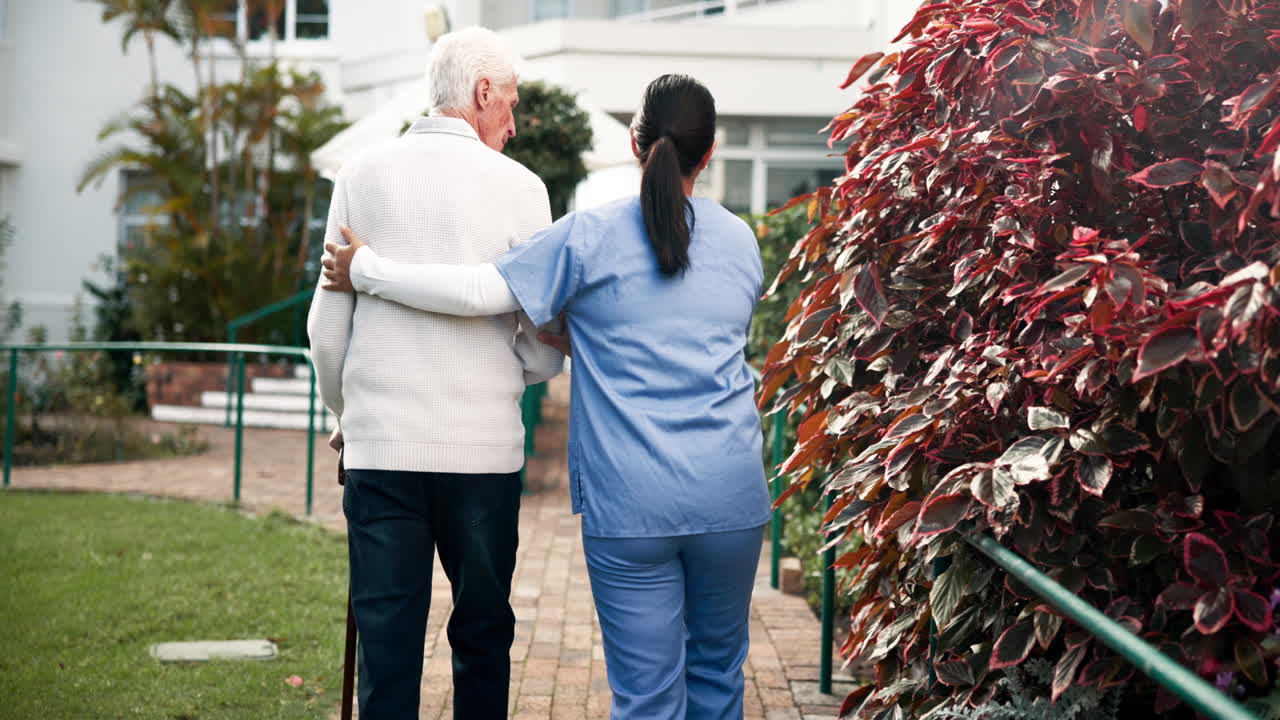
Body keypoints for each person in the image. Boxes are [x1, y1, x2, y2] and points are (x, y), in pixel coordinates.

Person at [321, 73, 771, 720]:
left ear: (635, 143)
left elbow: (481, 294)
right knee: (718, 679)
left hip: (634, 507)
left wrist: (367, 271)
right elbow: (692, 336)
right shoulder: (743, 243)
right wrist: (587, 337)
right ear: (711, 151)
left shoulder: (590, 237)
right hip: (732, 500)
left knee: (647, 700)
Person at [305, 26, 564, 720]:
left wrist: (343, 420)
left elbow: (327, 332)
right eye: (509, 103)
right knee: (482, 639)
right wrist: (502, 367)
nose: (512, 122)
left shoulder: (359, 175)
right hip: (482, 454)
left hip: (381, 449)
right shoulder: (524, 189)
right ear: (481, 94)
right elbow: (542, 349)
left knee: (386, 647)